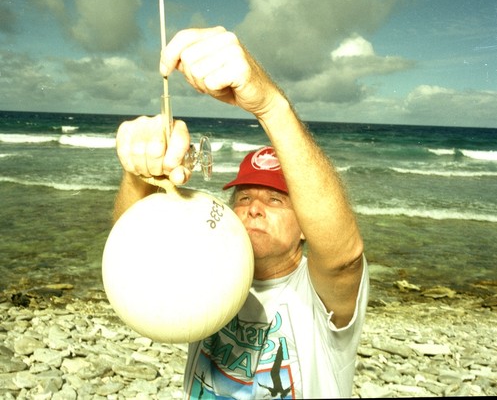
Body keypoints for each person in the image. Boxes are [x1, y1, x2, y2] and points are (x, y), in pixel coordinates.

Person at [113, 26, 369, 399]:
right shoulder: (211, 272)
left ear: (305, 228)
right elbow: (132, 251)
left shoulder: (315, 297)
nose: (254, 209)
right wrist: (139, 172)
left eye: (276, 200)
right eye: (245, 198)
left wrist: (269, 106)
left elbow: (344, 260)